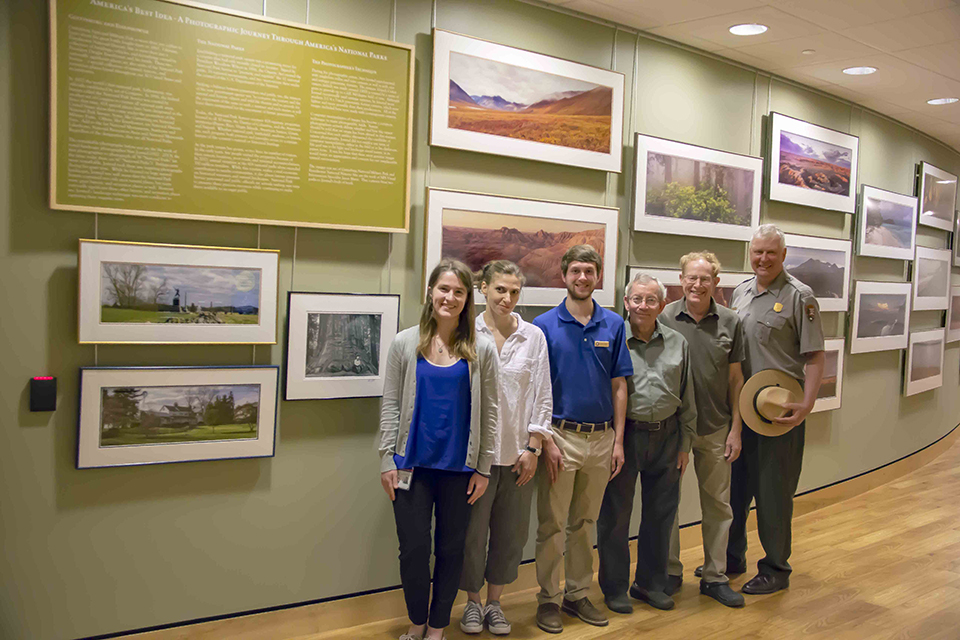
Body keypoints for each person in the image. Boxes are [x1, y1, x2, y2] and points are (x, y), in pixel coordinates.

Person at [378, 258, 500, 640]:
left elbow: (491, 412)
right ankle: (416, 622)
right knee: (413, 551)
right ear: (430, 292)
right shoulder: (404, 343)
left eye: (458, 292)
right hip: (410, 466)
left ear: (468, 300)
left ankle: (437, 627)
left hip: (459, 470)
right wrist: (386, 457)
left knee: (451, 552)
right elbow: (391, 404)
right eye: (443, 289)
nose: (450, 297)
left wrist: (483, 468)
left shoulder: (481, 349)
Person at [532, 244, 633, 634]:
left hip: (602, 437)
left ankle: (577, 594)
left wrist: (618, 441)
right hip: (560, 435)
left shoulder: (613, 324)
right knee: (552, 524)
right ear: (564, 275)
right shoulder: (544, 325)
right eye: (575, 271)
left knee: (585, 522)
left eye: (589, 271)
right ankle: (548, 599)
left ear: (598, 276)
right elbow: (537, 388)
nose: (582, 278)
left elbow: (619, 385)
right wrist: (546, 441)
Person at [727, 224, 825, 595]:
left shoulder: (801, 296)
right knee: (735, 491)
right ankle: (731, 557)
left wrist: (807, 405)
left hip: (777, 414)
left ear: (783, 255)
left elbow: (815, 355)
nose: (763, 259)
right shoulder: (740, 293)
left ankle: (775, 569)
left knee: (773, 493)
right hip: (740, 411)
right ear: (749, 254)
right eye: (757, 252)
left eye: (771, 252)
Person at [459, 260, 553, 636]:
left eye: (514, 291)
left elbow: (542, 395)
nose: (508, 298)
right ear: (483, 288)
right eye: (500, 289)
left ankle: (495, 603)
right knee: (471, 534)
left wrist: (534, 447)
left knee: (510, 534)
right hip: (474, 458)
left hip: (518, 457)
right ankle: (471, 603)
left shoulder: (533, 337)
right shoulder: (467, 333)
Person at [596, 273, 697, 614]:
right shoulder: (612, 340)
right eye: (636, 299)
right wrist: (614, 441)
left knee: (660, 515)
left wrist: (685, 443)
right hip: (625, 437)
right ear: (626, 303)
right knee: (616, 516)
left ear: (662, 305)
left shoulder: (678, 342)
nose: (642, 305)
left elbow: (687, 396)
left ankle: (650, 584)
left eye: (650, 300)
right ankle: (615, 588)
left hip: (668, 437)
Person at [661, 252, 746, 609]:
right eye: (691, 278)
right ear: (681, 280)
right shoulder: (665, 317)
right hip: (675, 430)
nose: (697, 285)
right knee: (668, 505)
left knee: (718, 506)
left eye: (705, 279)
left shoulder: (730, 321)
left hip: (716, 428)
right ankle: (669, 571)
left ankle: (714, 576)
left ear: (716, 282)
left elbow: (736, 378)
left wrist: (736, 430)